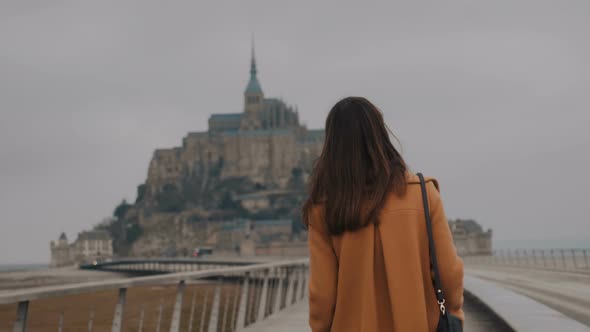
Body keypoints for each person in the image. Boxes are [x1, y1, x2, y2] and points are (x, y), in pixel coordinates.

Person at [302, 97, 464, 332]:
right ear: (380, 136)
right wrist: (454, 310)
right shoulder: (424, 194)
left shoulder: (324, 209)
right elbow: (449, 274)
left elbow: (322, 296)